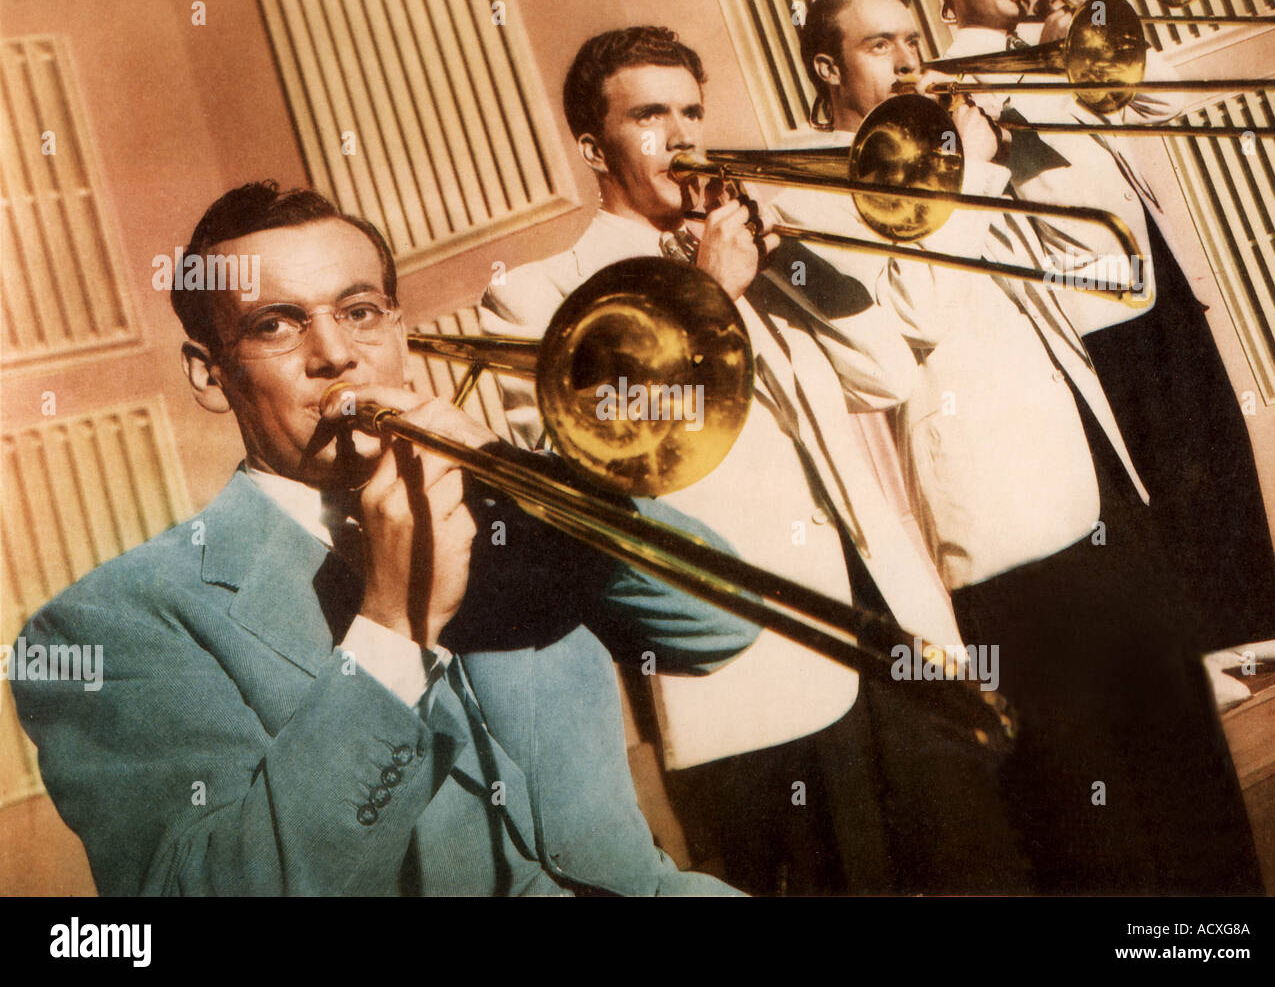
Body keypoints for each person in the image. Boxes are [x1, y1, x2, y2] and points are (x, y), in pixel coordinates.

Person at [11, 181, 761, 897]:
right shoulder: (108, 624)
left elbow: (721, 625)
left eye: (361, 311)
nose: (335, 354)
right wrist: (393, 629)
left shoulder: (508, 503)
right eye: (277, 323)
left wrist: (523, 478)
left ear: (398, 330)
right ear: (211, 375)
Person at [480, 25, 1026, 896]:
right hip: (753, 686)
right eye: (650, 114)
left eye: (692, 109)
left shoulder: (752, 251)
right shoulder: (538, 295)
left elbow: (883, 373)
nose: (684, 134)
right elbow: (595, 478)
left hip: (891, 635)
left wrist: (793, 260)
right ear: (594, 146)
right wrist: (707, 294)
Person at [776, 0, 1263, 895]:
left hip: (1096, 492)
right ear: (826, 67)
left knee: (1197, 794)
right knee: (1101, 828)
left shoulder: (959, 145)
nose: (909, 57)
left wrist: (1039, 118)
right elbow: (900, 340)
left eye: (912, 37)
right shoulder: (809, 189)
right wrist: (971, 170)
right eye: (879, 44)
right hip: (999, 540)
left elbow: (1107, 282)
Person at [929, 0, 1275, 654]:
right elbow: (1027, 140)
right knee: (1168, 471)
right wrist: (1054, 55)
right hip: (1093, 298)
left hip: (1156, 269)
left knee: (1217, 444)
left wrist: (1080, 40)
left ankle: (1257, 627)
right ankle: (1206, 648)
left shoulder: (1051, 50)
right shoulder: (956, 75)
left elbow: (1163, 101)